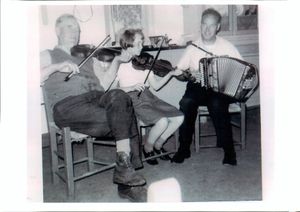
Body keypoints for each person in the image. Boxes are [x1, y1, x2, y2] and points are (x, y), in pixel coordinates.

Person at [40, 14, 147, 202]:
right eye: (69, 27)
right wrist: (57, 66)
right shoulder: (48, 54)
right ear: (57, 30)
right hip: (68, 106)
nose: (75, 32)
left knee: (121, 97)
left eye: (77, 28)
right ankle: (126, 182)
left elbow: (104, 86)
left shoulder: (88, 57)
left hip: (96, 100)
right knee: (125, 116)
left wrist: (116, 61)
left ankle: (125, 172)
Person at [171, 8, 243, 166]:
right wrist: (187, 74)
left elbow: (242, 71)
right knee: (186, 103)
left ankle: (229, 151)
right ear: (200, 25)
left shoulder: (228, 47)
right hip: (196, 87)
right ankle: (184, 148)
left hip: (219, 90)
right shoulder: (192, 48)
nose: (207, 29)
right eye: (204, 25)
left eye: (211, 26)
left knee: (217, 104)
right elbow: (179, 74)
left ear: (218, 27)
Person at [110, 29, 184, 165]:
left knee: (179, 117)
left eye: (142, 43)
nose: (141, 46)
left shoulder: (144, 62)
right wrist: (130, 87)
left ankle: (158, 144)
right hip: (132, 99)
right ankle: (148, 147)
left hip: (149, 96)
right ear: (128, 45)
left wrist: (171, 74)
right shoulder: (119, 65)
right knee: (162, 122)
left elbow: (155, 86)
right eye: (138, 43)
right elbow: (111, 90)